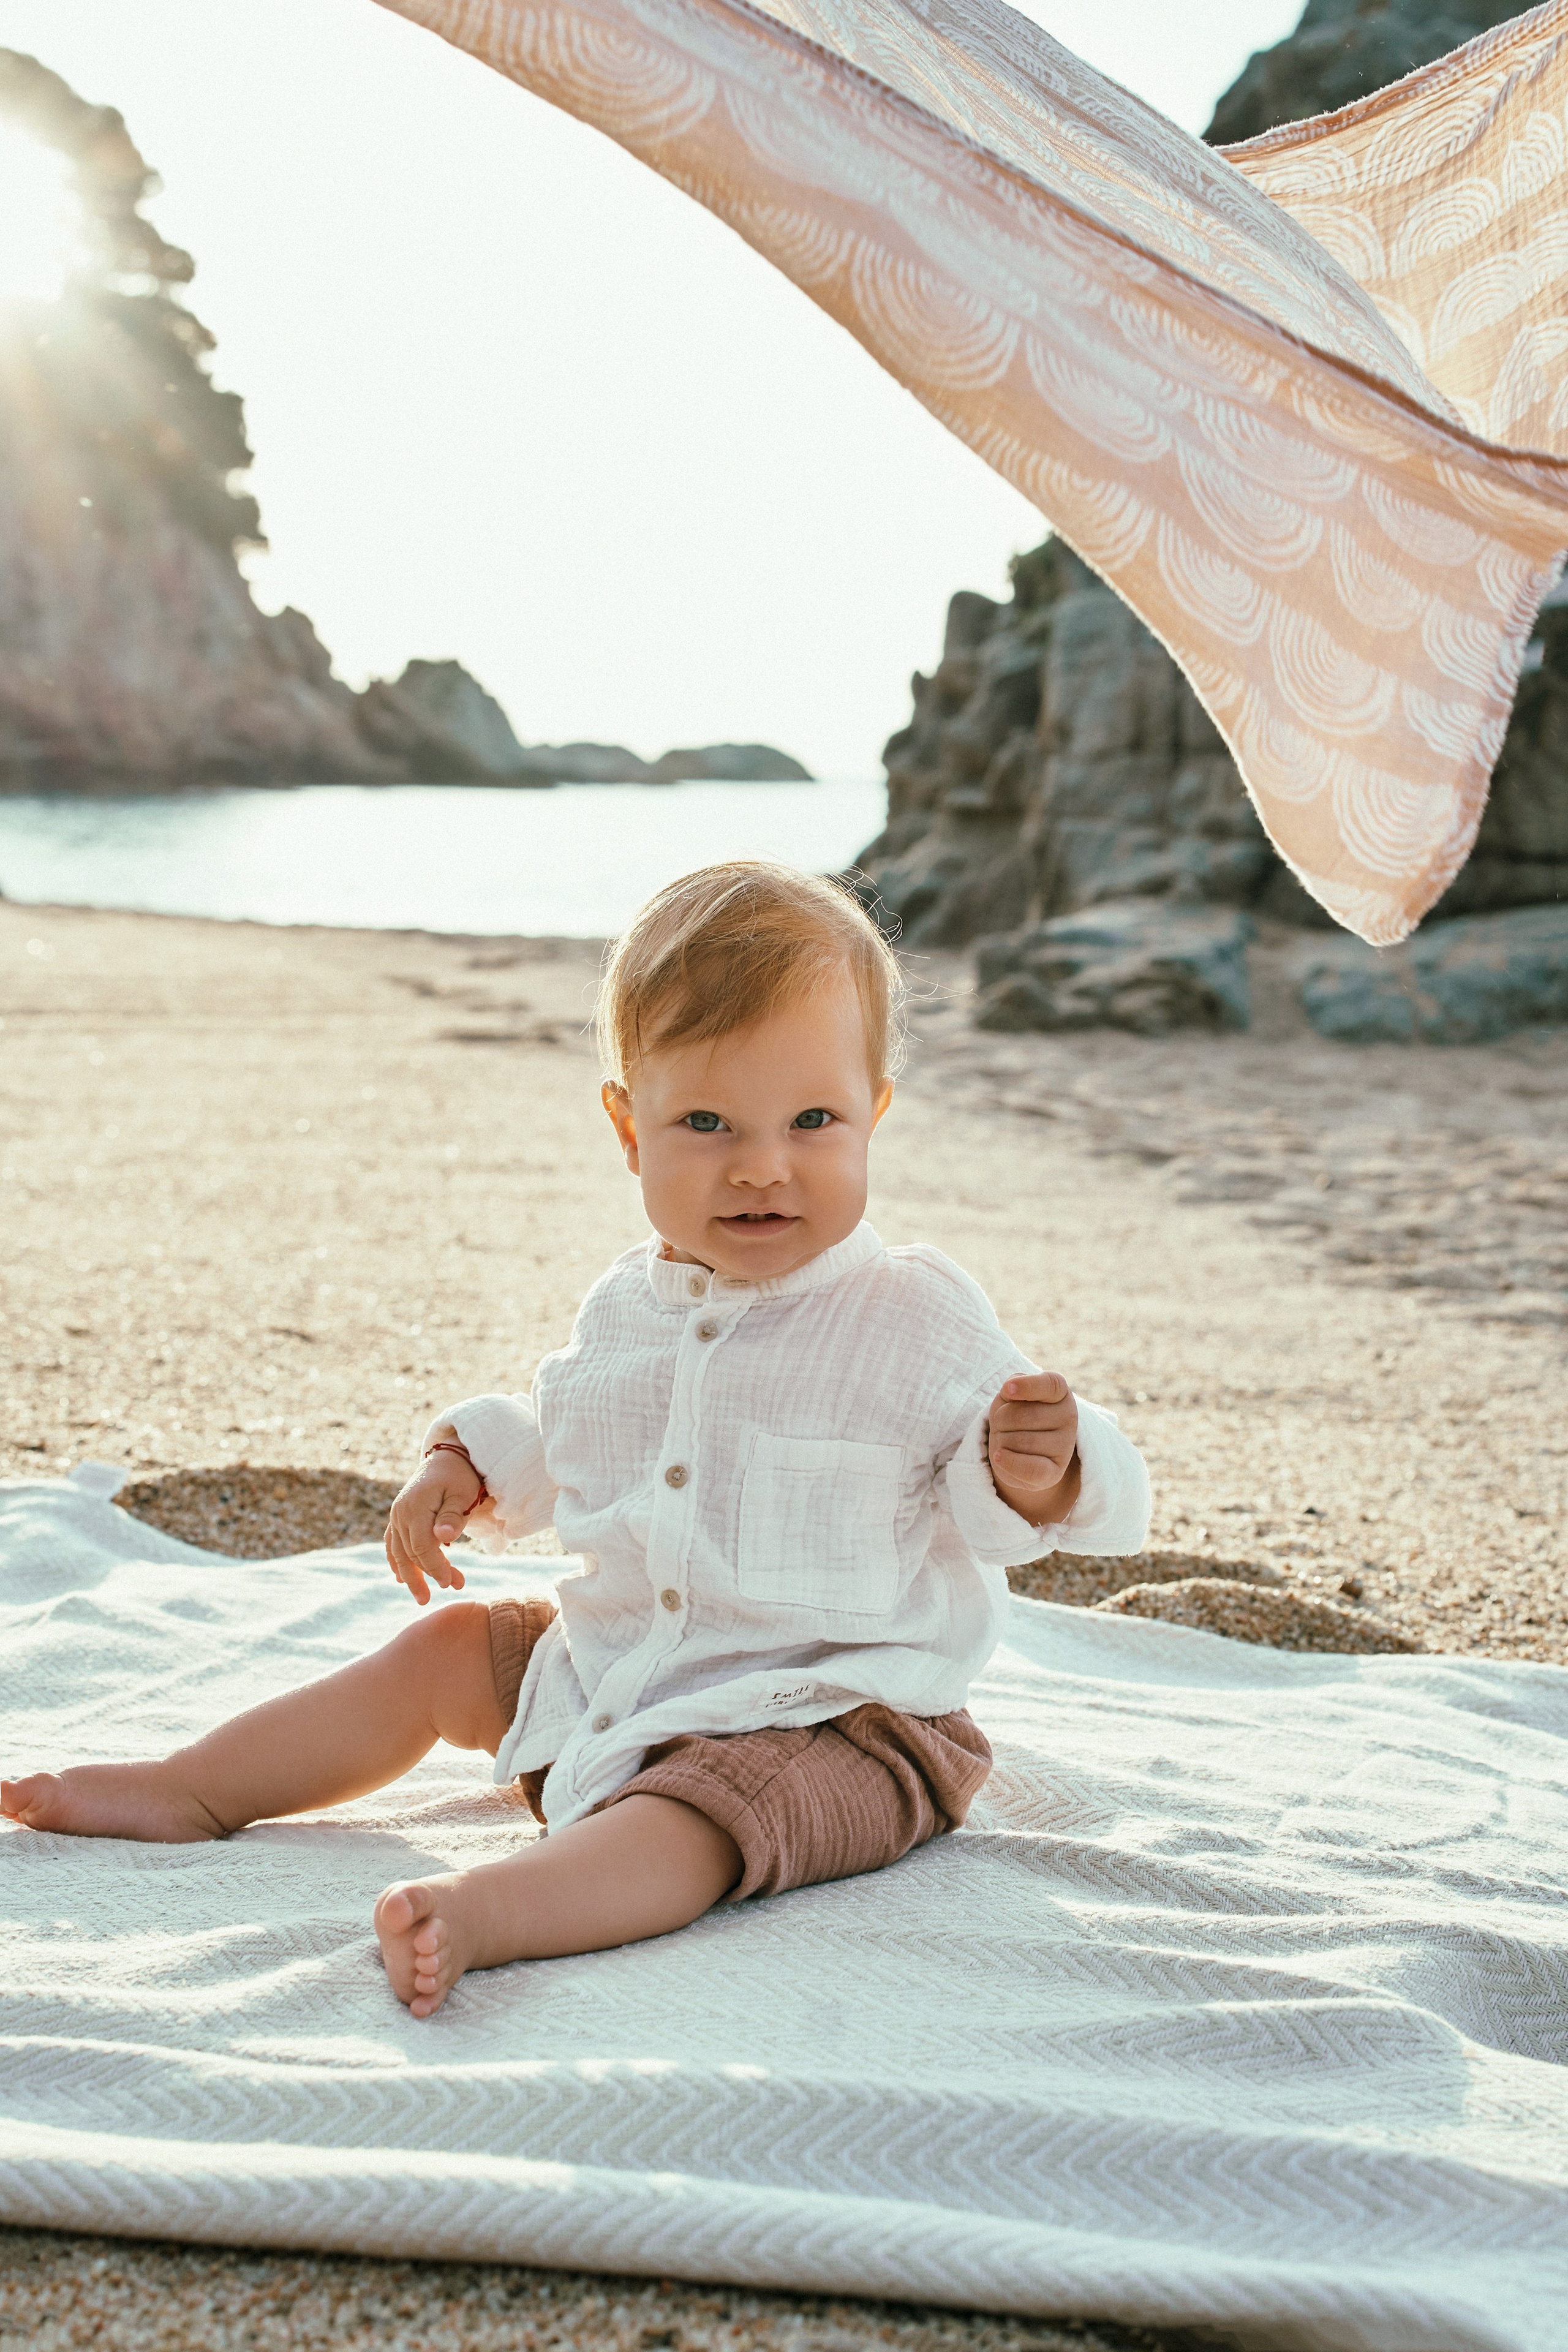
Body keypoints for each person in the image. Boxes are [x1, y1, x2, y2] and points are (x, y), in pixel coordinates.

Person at [2, 862, 1150, 2015]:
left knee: (702, 1819)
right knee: (452, 1651)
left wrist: (1043, 1470)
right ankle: (195, 1787)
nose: (762, 1163)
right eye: (705, 1122)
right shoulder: (625, 1307)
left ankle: (496, 1912)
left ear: (875, 1113)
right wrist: (464, 1463)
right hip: (616, 1683)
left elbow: (1031, 1498)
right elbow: (573, 1429)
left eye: (813, 1121)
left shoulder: (913, 1313)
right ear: (626, 1128)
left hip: (834, 1717)